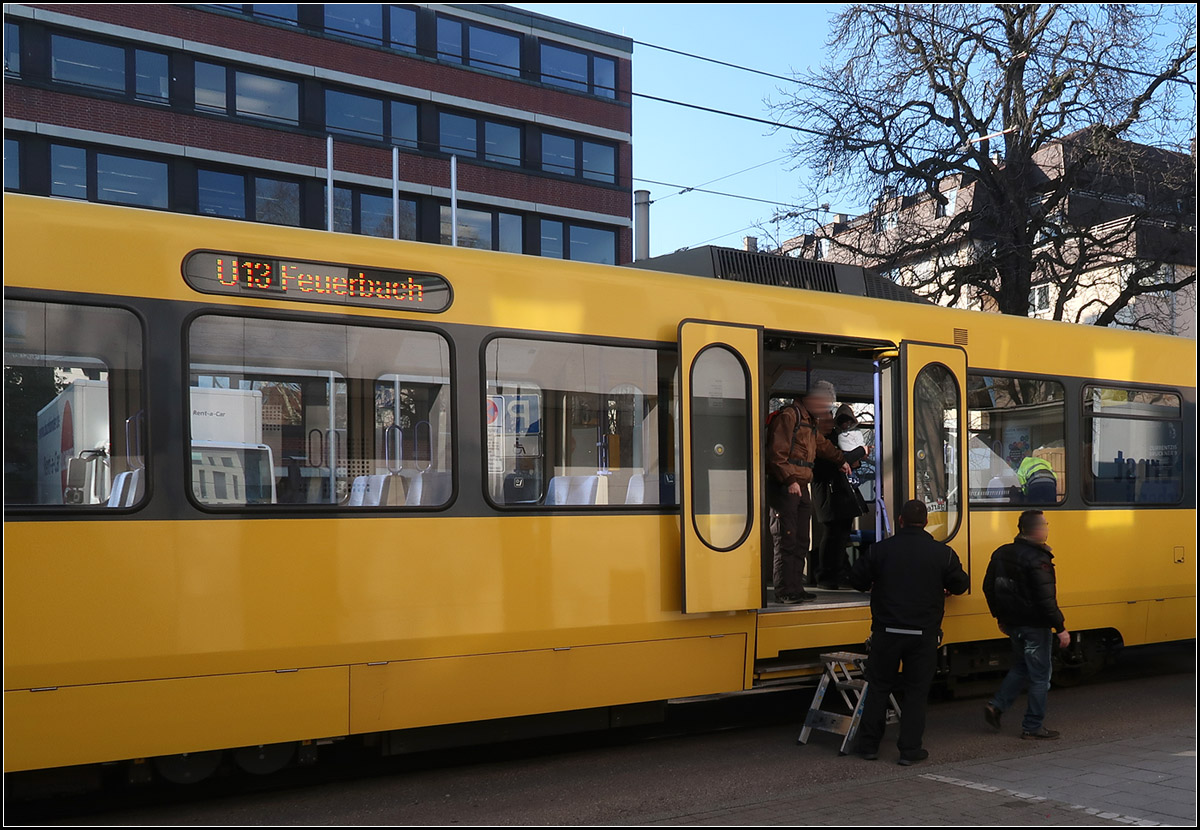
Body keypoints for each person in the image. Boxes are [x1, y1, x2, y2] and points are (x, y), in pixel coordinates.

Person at [849, 499, 970, 765]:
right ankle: (910, 750)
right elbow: (961, 584)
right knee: (916, 693)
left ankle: (868, 746)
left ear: (900, 521)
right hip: (922, 635)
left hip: (886, 633)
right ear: (926, 523)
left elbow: (856, 579)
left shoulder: (879, 550)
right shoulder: (943, 553)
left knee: (879, 688)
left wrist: (874, 582)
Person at [982, 510, 1069, 740]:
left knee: (1022, 665)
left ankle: (997, 705)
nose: (1048, 528)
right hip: (1035, 626)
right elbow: (1046, 600)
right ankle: (1032, 725)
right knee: (1040, 676)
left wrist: (999, 617)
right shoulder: (1039, 560)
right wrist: (1060, 628)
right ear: (1037, 529)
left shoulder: (1001, 553)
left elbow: (988, 587)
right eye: (1046, 524)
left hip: (1013, 624)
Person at [766, 380, 850, 604]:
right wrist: (790, 479)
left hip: (802, 486)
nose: (826, 410)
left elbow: (822, 446)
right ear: (815, 399)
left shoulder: (810, 422)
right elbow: (776, 452)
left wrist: (841, 460)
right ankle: (785, 590)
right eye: (824, 404)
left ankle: (796, 587)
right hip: (786, 486)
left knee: (802, 539)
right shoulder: (789, 416)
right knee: (787, 538)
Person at [814, 404, 871, 589]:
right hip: (831, 494)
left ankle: (837, 573)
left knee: (838, 537)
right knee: (833, 536)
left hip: (835, 494)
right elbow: (838, 460)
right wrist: (862, 451)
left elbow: (842, 461)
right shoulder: (821, 441)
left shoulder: (831, 438)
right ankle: (828, 576)